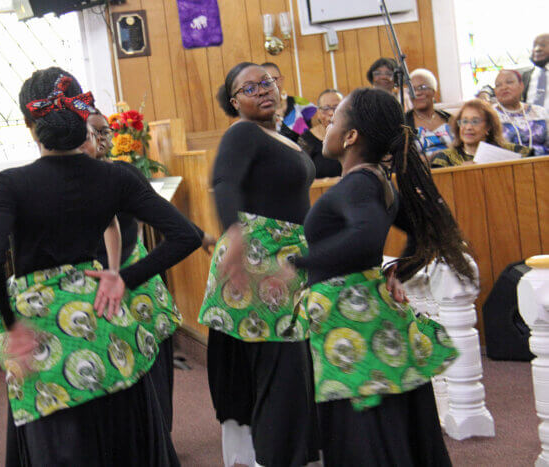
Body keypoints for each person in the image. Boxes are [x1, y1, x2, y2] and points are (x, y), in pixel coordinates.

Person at [0, 67, 201, 465]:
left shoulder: (9, 183)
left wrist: (13, 326)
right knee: (121, 433)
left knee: (60, 443)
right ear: (84, 117)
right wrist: (124, 278)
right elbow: (187, 235)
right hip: (102, 318)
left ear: (31, 127)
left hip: (41, 329)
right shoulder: (116, 177)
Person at [292, 87, 475, 465]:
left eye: (334, 117)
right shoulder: (377, 179)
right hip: (361, 316)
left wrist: (298, 263)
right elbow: (424, 232)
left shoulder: (359, 183)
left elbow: (366, 232)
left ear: (351, 136)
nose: (326, 123)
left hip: (353, 326)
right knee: (380, 428)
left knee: (362, 435)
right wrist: (399, 268)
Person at [199, 61, 320, 467]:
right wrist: (232, 232)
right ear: (233, 103)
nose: (263, 90)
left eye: (267, 81)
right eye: (249, 88)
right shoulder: (243, 132)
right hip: (257, 258)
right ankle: (271, 456)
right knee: (276, 367)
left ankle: (285, 451)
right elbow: (224, 182)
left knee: (289, 364)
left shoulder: (283, 134)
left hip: (288, 258)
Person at [84, 112, 216, 431]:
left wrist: (198, 235)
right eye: (93, 132)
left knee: (153, 360)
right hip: (92, 281)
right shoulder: (62, 181)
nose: (102, 138)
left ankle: (159, 436)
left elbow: (160, 212)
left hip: (135, 273)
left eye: (106, 131)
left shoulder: (123, 172)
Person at [431, 99, 532, 167]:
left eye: (475, 121)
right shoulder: (444, 159)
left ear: (488, 126)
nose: (468, 127)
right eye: (464, 121)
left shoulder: (512, 152)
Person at [260, 62, 318, 146]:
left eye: (274, 79)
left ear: (281, 80)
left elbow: (309, 140)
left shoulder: (299, 104)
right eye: (266, 81)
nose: (272, 84)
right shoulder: (256, 111)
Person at [494, 69, 549, 155]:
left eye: (509, 82)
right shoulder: (489, 116)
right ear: (495, 91)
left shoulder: (539, 112)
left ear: (521, 86)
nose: (504, 87)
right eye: (498, 85)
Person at [405, 68, 452, 160]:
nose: (417, 93)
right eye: (412, 89)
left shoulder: (449, 119)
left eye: (422, 87)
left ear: (434, 91)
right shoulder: (403, 123)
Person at [299, 89, 344, 178]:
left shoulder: (354, 135)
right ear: (318, 113)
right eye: (325, 109)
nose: (331, 113)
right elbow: (302, 174)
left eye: (337, 108)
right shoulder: (306, 139)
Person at [522, 33, 548, 109]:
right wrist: (485, 93)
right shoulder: (524, 75)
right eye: (535, 46)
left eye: (543, 45)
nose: (537, 49)